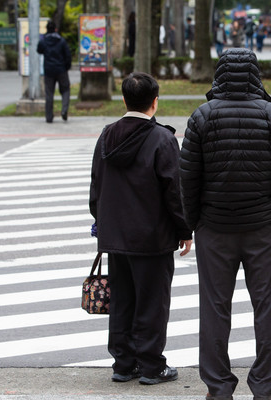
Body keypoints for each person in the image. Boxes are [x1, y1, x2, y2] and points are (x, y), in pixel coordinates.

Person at [180, 48, 271, 400]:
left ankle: (218, 387)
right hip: (264, 227)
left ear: (218, 75)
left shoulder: (202, 117)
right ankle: (264, 387)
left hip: (214, 227)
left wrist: (193, 222)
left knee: (215, 308)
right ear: (256, 75)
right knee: (267, 307)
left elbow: (188, 178)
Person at [89, 72, 192, 386]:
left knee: (122, 300)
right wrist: (185, 230)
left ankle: (123, 364)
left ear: (123, 99)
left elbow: (96, 189)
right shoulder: (162, 139)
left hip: (115, 237)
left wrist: (104, 222)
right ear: (155, 101)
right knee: (151, 301)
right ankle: (151, 365)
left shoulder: (107, 135)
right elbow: (174, 191)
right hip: (152, 238)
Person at [37, 20, 71, 123]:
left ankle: (49, 117)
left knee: (49, 93)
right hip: (61, 70)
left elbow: (39, 50)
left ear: (47, 29)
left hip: (48, 71)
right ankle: (64, 110)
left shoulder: (43, 41)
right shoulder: (61, 41)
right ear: (56, 29)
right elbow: (68, 55)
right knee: (65, 90)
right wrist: (66, 67)